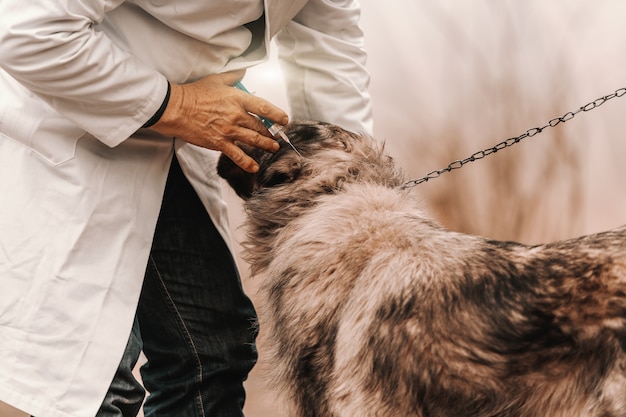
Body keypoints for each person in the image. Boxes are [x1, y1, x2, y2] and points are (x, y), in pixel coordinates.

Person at [0, 1, 373, 416]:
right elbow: (26, 30)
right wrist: (178, 106)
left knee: (210, 355)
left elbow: (328, 50)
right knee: (96, 386)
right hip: (70, 120)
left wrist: (347, 190)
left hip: (175, 144)